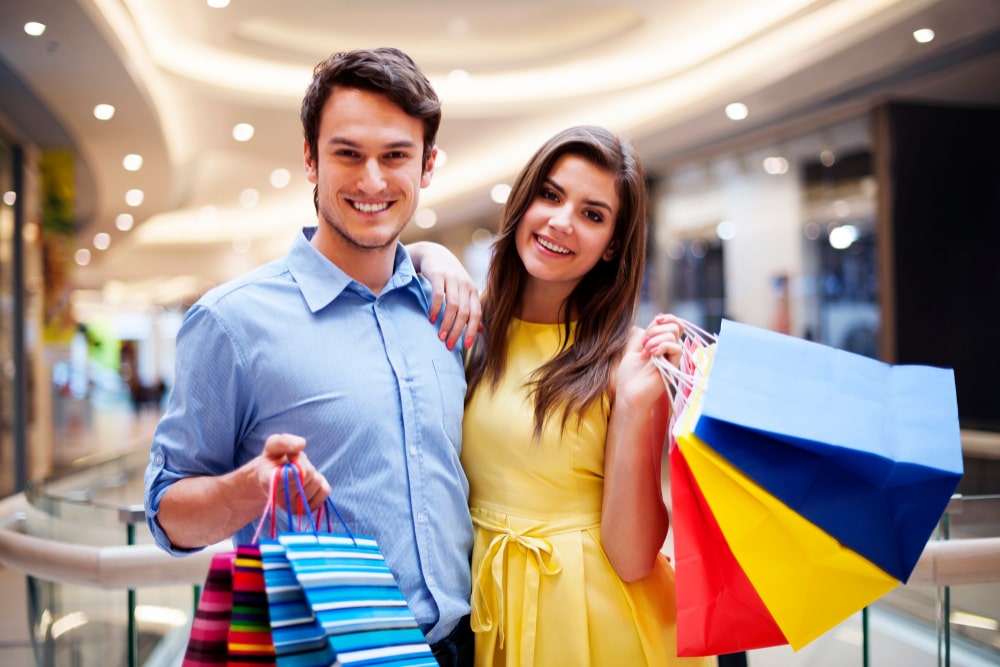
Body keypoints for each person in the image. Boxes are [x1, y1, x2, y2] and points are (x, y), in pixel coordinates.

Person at [143, 47, 480, 667]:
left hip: (462, 647)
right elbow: (166, 513)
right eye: (348, 153)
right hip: (319, 653)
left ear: (428, 166)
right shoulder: (231, 322)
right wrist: (246, 491)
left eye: (396, 156)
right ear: (310, 160)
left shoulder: (448, 312)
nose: (372, 181)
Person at [413, 125, 716, 666]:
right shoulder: (468, 326)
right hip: (484, 609)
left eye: (592, 214)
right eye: (550, 195)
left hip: (594, 624)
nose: (561, 222)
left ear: (613, 246)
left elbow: (630, 557)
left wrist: (633, 406)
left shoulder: (632, 359)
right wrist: (427, 251)